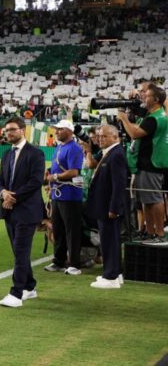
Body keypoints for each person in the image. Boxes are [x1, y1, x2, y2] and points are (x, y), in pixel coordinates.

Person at [0, 116, 46, 308]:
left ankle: (16, 294)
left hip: (27, 210)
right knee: (18, 252)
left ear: (23, 130)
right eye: (6, 130)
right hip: (9, 210)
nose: (8, 133)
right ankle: (29, 286)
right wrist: (3, 193)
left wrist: (12, 197)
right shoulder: (6, 155)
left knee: (21, 251)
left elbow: (35, 181)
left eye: (12, 129)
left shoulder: (36, 153)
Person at [118, 84, 168, 245]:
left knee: (154, 198)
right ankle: (150, 231)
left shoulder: (155, 118)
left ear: (156, 100)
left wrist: (124, 119)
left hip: (151, 163)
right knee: (146, 200)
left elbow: (134, 133)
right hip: (147, 162)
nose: (144, 97)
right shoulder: (156, 115)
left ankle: (159, 233)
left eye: (147, 95)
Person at [87, 124, 128, 289]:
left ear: (115, 137)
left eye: (104, 136)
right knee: (111, 240)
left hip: (109, 207)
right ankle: (115, 273)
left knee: (109, 241)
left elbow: (119, 185)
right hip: (105, 205)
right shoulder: (111, 153)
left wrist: (114, 207)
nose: (99, 139)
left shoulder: (116, 154)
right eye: (98, 136)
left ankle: (110, 276)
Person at [44, 120, 85, 276]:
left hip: (70, 194)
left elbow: (74, 172)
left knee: (71, 230)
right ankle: (59, 261)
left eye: (60, 129)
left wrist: (54, 177)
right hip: (58, 193)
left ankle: (74, 264)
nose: (57, 131)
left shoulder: (74, 148)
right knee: (59, 229)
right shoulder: (60, 146)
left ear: (69, 131)